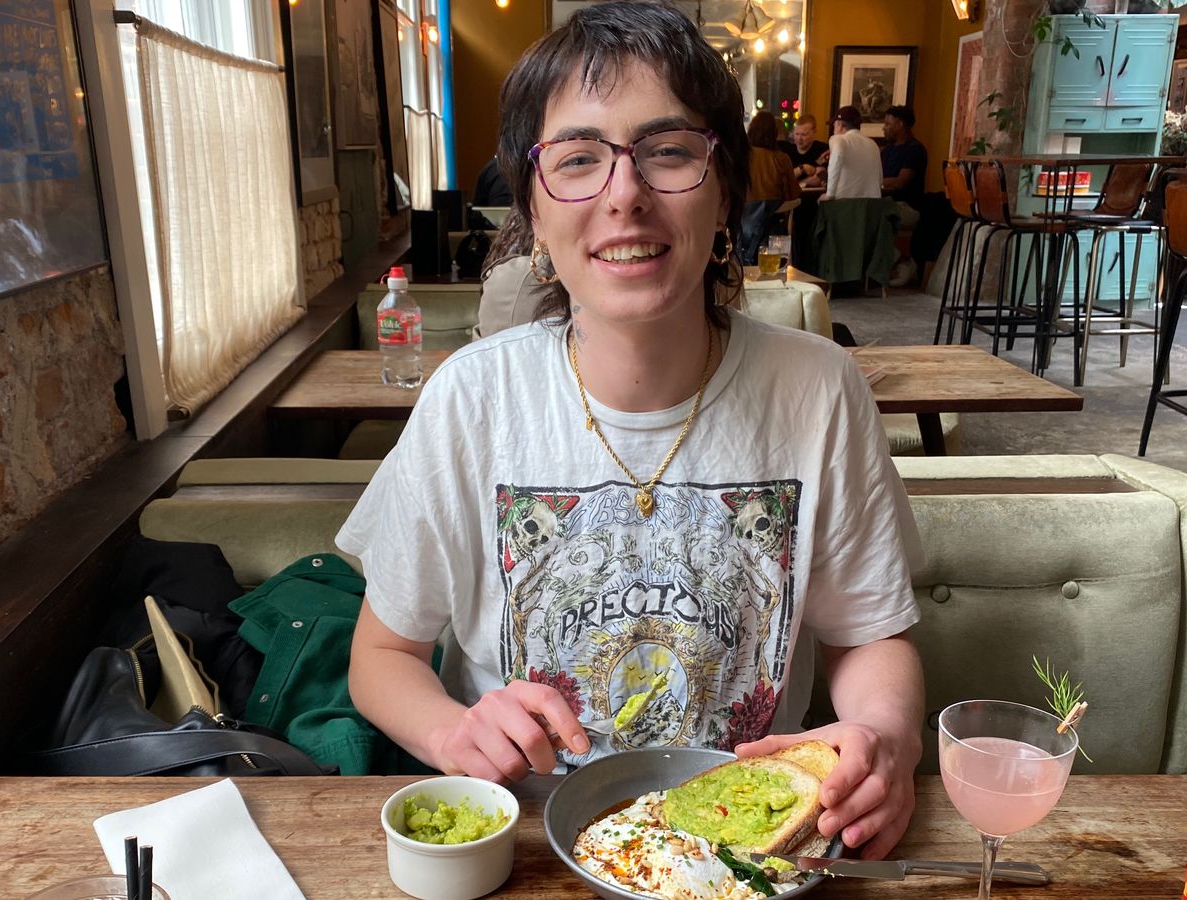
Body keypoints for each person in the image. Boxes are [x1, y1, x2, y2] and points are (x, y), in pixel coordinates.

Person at [339, 0, 925, 861]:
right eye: (578, 159)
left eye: (668, 152)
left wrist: (886, 739)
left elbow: (868, 635)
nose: (625, 195)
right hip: (527, 848)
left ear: (725, 195)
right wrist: (452, 731)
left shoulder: (820, 389)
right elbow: (382, 655)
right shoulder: (471, 398)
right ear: (533, 210)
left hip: (755, 850)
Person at [740, 110, 800, 266]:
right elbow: (793, 195)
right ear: (774, 134)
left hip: (741, 228)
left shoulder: (741, 157)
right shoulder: (781, 159)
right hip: (772, 232)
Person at [880, 105, 927, 286]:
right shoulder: (887, 150)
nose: (883, 128)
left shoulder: (915, 150)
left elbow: (901, 181)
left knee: (872, 217)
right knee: (863, 213)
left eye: (887, 124)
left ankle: (902, 260)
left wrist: (878, 180)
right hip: (887, 202)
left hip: (908, 206)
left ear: (900, 125)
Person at [820, 105, 882, 201]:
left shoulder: (839, 139)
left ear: (840, 125)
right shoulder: (873, 143)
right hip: (871, 205)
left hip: (845, 204)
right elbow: (879, 178)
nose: (833, 130)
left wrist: (829, 195)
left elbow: (835, 162)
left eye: (834, 126)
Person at [785, 113, 829, 186]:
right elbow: (783, 179)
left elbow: (819, 179)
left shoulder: (823, 150)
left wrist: (796, 183)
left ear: (814, 133)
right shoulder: (787, 151)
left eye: (804, 134)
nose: (799, 138)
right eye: (797, 134)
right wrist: (802, 168)